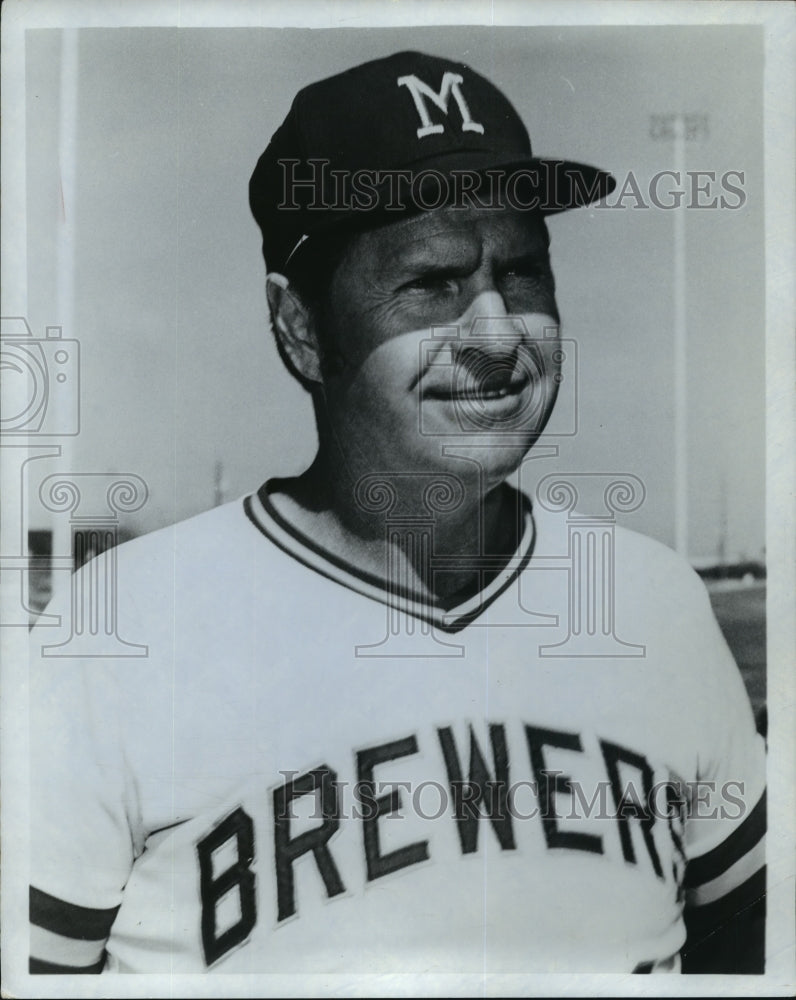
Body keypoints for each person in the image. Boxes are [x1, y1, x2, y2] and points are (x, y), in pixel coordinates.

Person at [28, 50, 765, 976]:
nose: (498, 335)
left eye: (524, 273)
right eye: (432, 283)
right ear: (300, 327)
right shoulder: (122, 634)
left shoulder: (654, 607)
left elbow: (750, 955)